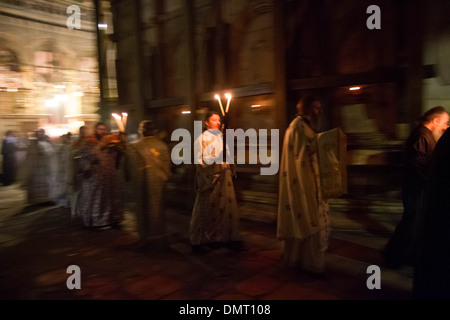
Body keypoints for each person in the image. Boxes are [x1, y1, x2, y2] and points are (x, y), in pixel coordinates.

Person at [383, 106, 449, 269]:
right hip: (415, 188)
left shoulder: (425, 134)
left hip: (419, 187)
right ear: (435, 121)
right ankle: (393, 255)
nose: (446, 127)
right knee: (410, 221)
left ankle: (405, 255)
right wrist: (432, 180)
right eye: (445, 123)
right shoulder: (421, 135)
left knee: (414, 222)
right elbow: (418, 164)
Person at [277, 96, 330, 274]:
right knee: (309, 221)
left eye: (320, 107)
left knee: (304, 222)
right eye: (316, 108)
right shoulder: (298, 128)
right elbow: (300, 161)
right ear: (305, 109)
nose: (319, 111)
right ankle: (313, 265)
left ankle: (300, 260)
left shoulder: (303, 126)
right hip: (304, 185)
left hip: (307, 182)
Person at [189, 112, 242, 254]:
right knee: (205, 209)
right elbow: (202, 160)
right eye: (214, 120)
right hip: (211, 179)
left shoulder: (221, 137)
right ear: (207, 123)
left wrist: (229, 162)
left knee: (224, 209)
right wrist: (219, 155)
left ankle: (222, 237)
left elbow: (228, 156)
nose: (217, 122)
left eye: (219, 120)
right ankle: (198, 241)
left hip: (224, 178)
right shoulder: (202, 139)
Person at [125, 120, 172, 249]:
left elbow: (131, 167)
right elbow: (167, 166)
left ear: (142, 131)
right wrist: (163, 178)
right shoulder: (162, 145)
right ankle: (158, 237)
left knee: (143, 209)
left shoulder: (135, 146)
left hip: (142, 183)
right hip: (157, 183)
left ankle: (145, 237)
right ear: (154, 131)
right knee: (157, 209)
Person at [77, 122, 124, 228]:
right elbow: (90, 156)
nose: (102, 131)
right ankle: (96, 221)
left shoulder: (110, 141)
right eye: (100, 129)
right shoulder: (89, 142)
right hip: (95, 177)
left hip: (109, 175)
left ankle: (112, 219)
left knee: (111, 197)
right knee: (97, 199)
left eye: (104, 129)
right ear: (95, 130)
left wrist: (121, 142)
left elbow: (119, 154)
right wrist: (102, 144)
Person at [22, 128, 57, 205]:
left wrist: (44, 153)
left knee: (48, 184)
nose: (40, 135)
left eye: (41, 133)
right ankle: (38, 200)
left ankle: (48, 199)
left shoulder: (48, 143)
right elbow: (29, 156)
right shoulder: (33, 145)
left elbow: (52, 153)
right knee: (37, 185)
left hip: (46, 168)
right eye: (38, 134)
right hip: (36, 169)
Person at [67, 126, 88, 217]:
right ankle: (74, 211)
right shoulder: (76, 143)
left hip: (86, 171)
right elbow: (71, 155)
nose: (84, 133)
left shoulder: (89, 141)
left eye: (85, 131)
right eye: (83, 131)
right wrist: (79, 151)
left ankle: (83, 210)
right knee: (77, 192)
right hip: (77, 169)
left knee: (85, 192)